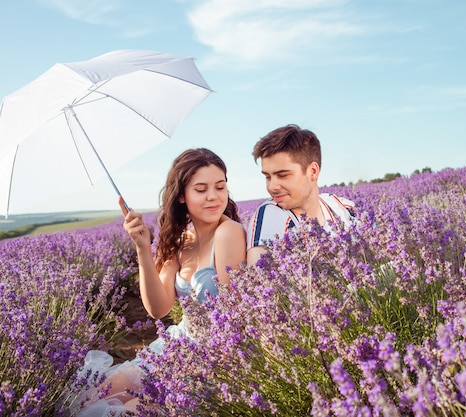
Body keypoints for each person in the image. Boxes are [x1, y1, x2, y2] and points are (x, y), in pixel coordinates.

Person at [71, 148, 246, 416]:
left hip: (216, 357)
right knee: (98, 395)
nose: (214, 196)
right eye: (201, 189)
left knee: (131, 408)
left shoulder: (228, 232)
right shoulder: (179, 241)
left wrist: (188, 369)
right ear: (181, 196)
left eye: (220, 187)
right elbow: (158, 309)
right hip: (178, 345)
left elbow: (233, 322)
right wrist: (142, 247)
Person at [246, 124, 356, 265]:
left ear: (312, 171)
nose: (272, 187)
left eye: (283, 175)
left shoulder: (342, 207)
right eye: (268, 177)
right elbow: (258, 279)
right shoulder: (271, 215)